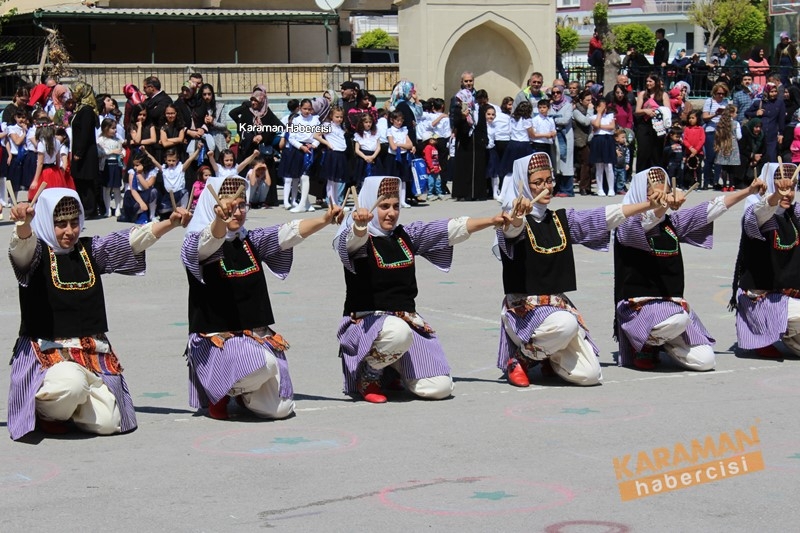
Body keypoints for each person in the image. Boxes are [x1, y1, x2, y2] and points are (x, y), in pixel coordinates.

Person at [7, 188, 191, 440]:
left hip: (92, 356)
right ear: (46, 223)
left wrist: (170, 223)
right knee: (70, 385)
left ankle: (68, 408)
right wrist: (23, 225)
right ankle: (44, 411)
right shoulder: (36, 255)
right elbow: (21, 249)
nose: (69, 231)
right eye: (60, 224)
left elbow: (132, 241)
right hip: (49, 357)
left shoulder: (89, 250)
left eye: (74, 223)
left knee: (109, 422)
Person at [494, 153, 661, 388]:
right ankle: (520, 359)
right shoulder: (511, 222)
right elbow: (513, 230)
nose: (546, 187)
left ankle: (547, 355)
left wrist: (649, 206)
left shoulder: (564, 219)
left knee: (590, 375)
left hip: (556, 309)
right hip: (524, 311)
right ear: (522, 184)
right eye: (538, 183)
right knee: (566, 323)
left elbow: (603, 217)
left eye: (549, 180)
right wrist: (517, 216)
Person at [182, 176, 342, 420]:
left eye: (242, 205)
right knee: (264, 363)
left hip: (254, 337)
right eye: (229, 206)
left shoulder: (250, 240)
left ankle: (242, 393)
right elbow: (210, 241)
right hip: (218, 340)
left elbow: (288, 232)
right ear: (213, 207)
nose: (237, 212)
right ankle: (220, 389)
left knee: (281, 409)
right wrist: (219, 221)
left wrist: (324, 219)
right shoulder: (195, 244)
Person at [334, 175, 503, 403]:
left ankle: (392, 368)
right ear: (368, 206)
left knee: (439, 388)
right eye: (384, 206)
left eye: (395, 206)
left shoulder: (406, 236)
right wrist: (360, 226)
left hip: (405, 326)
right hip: (366, 327)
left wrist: (493, 220)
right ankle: (369, 373)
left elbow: (450, 229)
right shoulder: (357, 241)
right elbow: (353, 241)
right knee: (397, 332)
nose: (391, 213)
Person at [613, 167, 765, 371]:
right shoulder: (626, 226)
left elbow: (712, 208)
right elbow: (647, 222)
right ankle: (643, 343)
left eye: (664, 193)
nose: (661, 198)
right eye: (653, 195)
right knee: (677, 319)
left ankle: (664, 343)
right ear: (641, 195)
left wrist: (748, 191)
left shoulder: (672, 222)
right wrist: (660, 206)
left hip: (672, 308)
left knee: (705, 360)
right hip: (639, 308)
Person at [730, 162, 800, 358]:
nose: (787, 193)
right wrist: (776, 195)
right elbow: (762, 212)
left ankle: (786, 332)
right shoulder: (756, 215)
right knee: (703, 360)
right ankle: (767, 330)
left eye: (792, 188)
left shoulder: (794, 213)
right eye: (781, 187)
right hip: (764, 300)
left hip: (788, 297)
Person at [69, 82, 101, 219]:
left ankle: (90, 210)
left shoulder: (87, 110)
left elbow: (85, 133)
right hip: (79, 151)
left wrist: (79, 152)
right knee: (80, 181)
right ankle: (83, 208)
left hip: (85, 153)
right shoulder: (80, 109)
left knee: (87, 182)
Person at [635, 74, 671, 173]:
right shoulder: (642, 94)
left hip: (658, 127)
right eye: (647, 81)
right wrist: (646, 111)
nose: (648, 83)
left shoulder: (663, 95)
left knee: (656, 153)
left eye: (650, 81)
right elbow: (637, 111)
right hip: (644, 126)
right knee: (643, 153)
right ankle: (641, 177)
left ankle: (656, 180)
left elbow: (668, 111)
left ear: (656, 82)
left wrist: (658, 111)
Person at [745, 83, 786, 164]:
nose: (774, 94)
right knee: (760, 158)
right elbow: (747, 113)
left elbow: (781, 119)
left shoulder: (779, 103)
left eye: (775, 91)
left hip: (772, 135)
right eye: (771, 91)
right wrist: (756, 113)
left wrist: (781, 133)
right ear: (766, 92)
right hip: (759, 135)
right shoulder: (759, 102)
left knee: (772, 157)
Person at [701, 82, 731, 189]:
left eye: (723, 93)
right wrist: (716, 114)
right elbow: (705, 117)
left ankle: (715, 182)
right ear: (714, 93)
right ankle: (705, 182)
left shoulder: (726, 102)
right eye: (719, 93)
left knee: (719, 158)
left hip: (722, 131)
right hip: (711, 131)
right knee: (710, 157)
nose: (721, 95)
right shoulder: (709, 102)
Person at [713, 106, 742, 191]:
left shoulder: (720, 124)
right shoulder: (736, 123)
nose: (736, 114)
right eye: (735, 112)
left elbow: (717, 135)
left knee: (724, 167)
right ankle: (731, 185)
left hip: (723, 145)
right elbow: (739, 136)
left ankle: (724, 185)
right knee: (731, 168)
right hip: (733, 145)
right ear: (731, 113)